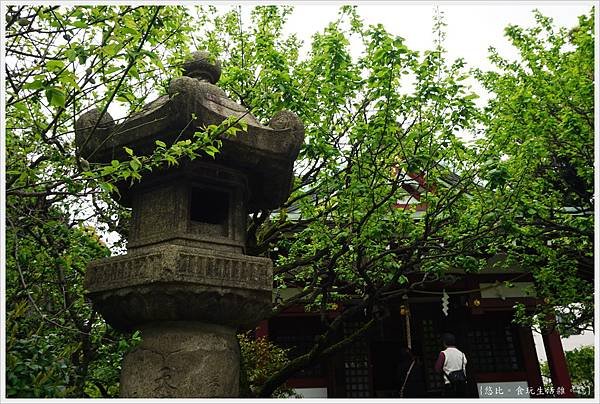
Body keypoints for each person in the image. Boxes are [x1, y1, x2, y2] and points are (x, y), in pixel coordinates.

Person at [434, 333, 467, 398]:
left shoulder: (443, 354)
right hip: (462, 385)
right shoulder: (462, 354)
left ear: (444, 343)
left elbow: (437, 369)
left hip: (450, 385)